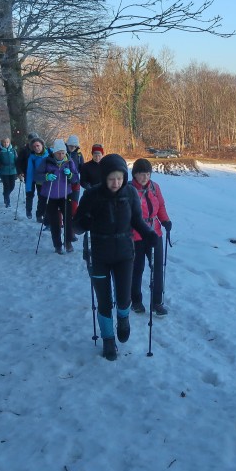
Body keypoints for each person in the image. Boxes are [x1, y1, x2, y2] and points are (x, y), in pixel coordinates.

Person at [72, 153, 158, 361]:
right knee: (103, 301)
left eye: (119, 178)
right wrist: (85, 221)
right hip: (99, 255)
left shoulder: (129, 193)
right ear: (104, 177)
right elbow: (76, 226)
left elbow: (137, 220)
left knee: (123, 298)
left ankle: (123, 319)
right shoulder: (91, 196)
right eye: (111, 178)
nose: (116, 182)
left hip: (124, 255)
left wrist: (148, 234)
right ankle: (108, 340)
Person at [129, 158, 172, 316]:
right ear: (135, 174)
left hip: (154, 234)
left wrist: (165, 220)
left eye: (147, 174)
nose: (145, 177)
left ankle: (157, 302)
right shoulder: (128, 189)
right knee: (137, 269)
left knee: (157, 268)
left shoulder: (155, 187)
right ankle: (136, 300)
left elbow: (160, 206)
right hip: (136, 236)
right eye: (141, 174)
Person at [35, 139, 78, 254]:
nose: (61, 155)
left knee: (68, 219)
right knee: (54, 221)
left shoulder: (69, 162)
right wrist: (46, 177)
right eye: (58, 153)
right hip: (50, 196)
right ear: (54, 153)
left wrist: (70, 174)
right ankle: (57, 245)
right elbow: (37, 176)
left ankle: (67, 242)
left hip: (65, 194)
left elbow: (75, 179)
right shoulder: (46, 161)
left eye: (63, 153)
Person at [23, 136, 49, 221]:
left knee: (48, 199)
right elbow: (30, 173)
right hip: (39, 181)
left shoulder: (50, 153)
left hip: (50, 180)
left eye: (38, 145)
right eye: (34, 147)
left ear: (42, 145)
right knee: (42, 198)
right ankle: (39, 215)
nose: (36, 148)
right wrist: (28, 187)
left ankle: (46, 214)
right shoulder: (32, 158)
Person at [0, 137, 18, 208]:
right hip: (3, 171)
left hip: (13, 170)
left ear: (9, 143)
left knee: (12, 186)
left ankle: (5, 194)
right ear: (2, 143)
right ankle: (7, 201)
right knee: (6, 185)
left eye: (7, 142)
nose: (6, 144)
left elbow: (16, 159)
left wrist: (19, 167)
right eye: (4, 142)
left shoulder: (13, 150)